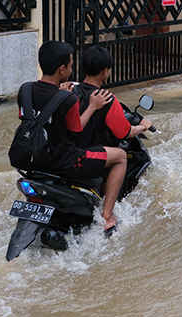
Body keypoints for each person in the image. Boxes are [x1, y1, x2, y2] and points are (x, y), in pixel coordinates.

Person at [27, 41, 127, 234]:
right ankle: (107, 216)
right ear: (62, 68)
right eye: (71, 66)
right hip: (69, 160)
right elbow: (76, 130)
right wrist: (91, 106)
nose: (72, 70)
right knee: (121, 156)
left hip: (39, 159)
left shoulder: (26, 91)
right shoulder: (69, 98)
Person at [72, 46, 153, 149]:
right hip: (92, 153)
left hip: (69, 149)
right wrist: (143, 126)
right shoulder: (107, 99)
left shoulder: (70, 90)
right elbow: (125, 133)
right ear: (105, 71)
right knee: (121, 157)